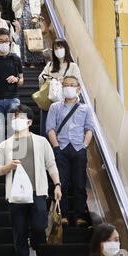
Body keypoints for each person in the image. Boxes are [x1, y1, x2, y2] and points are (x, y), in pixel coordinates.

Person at [0, 104, 62, 256]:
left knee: (40, 226)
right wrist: (9, 167)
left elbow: (51, 164)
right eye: (14, 117)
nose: (16, 120)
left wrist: (57, 184)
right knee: (19, 232)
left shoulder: (41, 141)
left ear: (29, 121)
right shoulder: (5, 144)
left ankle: (34, 245)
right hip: (15, 196)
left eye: (20, 117)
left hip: (37, 192)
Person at [46, 76, 94, 226]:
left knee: (80, 184)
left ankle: (79, 215)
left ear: (78, 88)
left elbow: (90, 129)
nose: (68, 87)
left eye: (72, 85)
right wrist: (56, 147)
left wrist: (85, 146)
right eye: (66, 85)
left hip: (79, 149)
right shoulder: (55, 107)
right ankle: (64, 215)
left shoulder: (85, 108)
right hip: (62, 149)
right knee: (62, 183)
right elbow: (50, 128)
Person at [38, 39, 82, 136]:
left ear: (66, 48)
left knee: (64, 133)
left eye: (61, 47)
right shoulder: (50, 65)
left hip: (66, 105)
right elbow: (41, 78)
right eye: (56, 48)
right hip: (49, 103)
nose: (58, 50)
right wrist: (52, 80)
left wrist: (66, 81)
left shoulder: (72, 66)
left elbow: (79, 85)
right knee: (47, 132)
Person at [12, 0, 44, 68]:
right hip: (21, 19)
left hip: (32, 19)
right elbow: (14, 8)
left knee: (32, 39)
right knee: (21, 40)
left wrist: (36, 16)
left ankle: (32, 62)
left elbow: (38, 5)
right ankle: (21, 62)